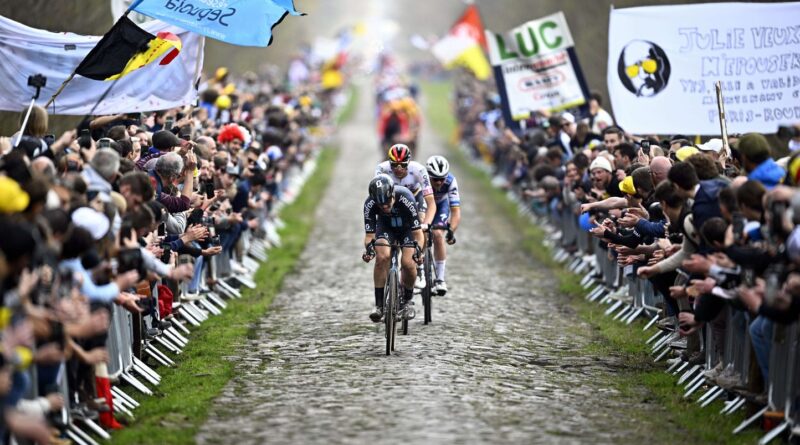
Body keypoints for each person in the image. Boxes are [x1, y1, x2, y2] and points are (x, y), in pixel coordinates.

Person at [362, 174, 424, 323]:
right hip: (385, 228)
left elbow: (418, 234)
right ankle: (379, 305)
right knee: (382, 257)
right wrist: (370, 250)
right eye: (380, 204)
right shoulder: (369, 203)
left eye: (387, 202)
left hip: (407, 229)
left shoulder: (406, 198)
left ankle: (408, 301)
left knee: (408, 264)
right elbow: (369, 236)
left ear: (393, 195)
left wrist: (418, 251)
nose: (384, 206)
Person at [374, 143, 436, 288]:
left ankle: (419, 264)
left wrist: (426, 224)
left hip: (415, 197)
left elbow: (431, 203)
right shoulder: (382, 169)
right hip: (393, 199)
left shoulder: (419, 170)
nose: (399, 169)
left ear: (409, 162)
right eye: (395, 165)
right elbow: (377, 197)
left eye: (402, 165)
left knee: (421, 223)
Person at [425, 155, 461, 296]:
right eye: (435, 179)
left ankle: (440, 279)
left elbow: (456, 212)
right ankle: (419, 270)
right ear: (428, 176)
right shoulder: (422, 179)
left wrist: (451, 231)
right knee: (421, 233)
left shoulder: (451, 181)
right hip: (423, 205)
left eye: (442, 178)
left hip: (440, 206)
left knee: (438, 234)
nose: (439, 182)